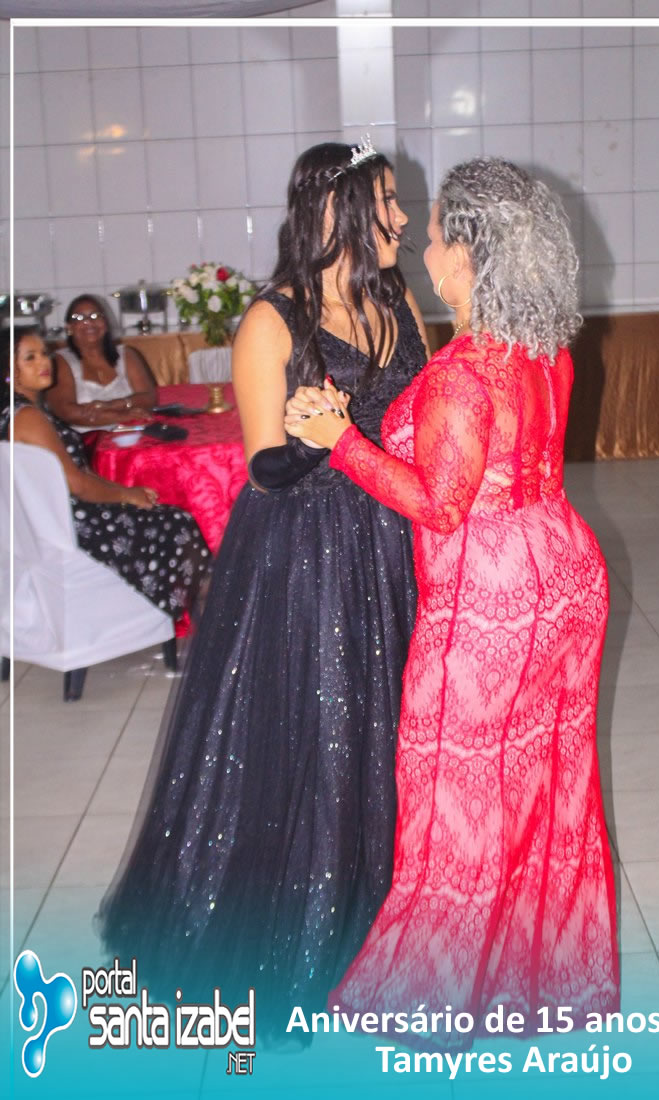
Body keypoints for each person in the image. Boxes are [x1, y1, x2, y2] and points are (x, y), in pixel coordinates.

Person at [96, 140, 428, 1039]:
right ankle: (299, 943)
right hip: (309, 557)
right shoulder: (271, 322)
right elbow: (265, 469)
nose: (401, 216)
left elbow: (420, 419)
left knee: (391, 733)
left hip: (395, 541)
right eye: (385, 201)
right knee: (319, 738)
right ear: (335, 211)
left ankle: (383, 932)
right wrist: (321, 439)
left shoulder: (395, 299)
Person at [285, 157, 619, 1046]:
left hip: (491, 595)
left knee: (454, 796)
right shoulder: (542, 349)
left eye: (432, 236)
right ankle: (539, 981)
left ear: (466, 255)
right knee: (544, 788)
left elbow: (439, 504)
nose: (421, 248)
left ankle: (431, 1001)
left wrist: (337, 438)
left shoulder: (466, 370)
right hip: (565, 570)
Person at [1, 326, 210, 619]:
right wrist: (127, 494)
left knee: (162, 516)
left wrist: (120, 492)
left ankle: (178, 615)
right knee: (176, 523)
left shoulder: (15, 412)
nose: (44, 362)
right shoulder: (28, 417)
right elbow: (75, 483)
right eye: (30, 358)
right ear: (8, 371)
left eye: (44, 353)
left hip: (48, 522)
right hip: (69, 529)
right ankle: (196, 619)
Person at [46, 293, 156, 431]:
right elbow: (67, 412)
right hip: (86, 440)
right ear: (69, 328)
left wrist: (112, 405)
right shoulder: (60, 361)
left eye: (95, 316)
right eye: (79, 318)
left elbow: (148, 398)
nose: (89, 322)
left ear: (106, 323)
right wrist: (122, 416)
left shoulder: (127, 354)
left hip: (132, 433)